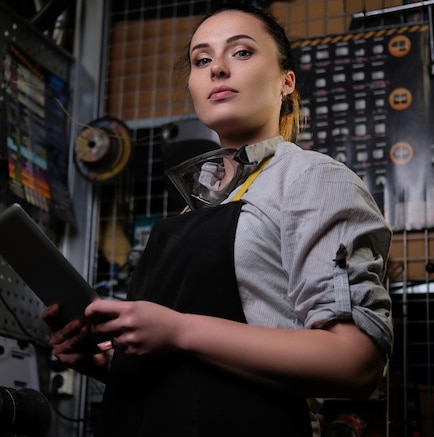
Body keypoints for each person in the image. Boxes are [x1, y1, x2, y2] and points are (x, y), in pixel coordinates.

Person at [42, 4, 393, 436]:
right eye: (202, 60)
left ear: (286, 82)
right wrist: (110, 364)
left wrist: (179, 330)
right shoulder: (195, 209)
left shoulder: (312, 179)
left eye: (242, 53)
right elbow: (188, 378)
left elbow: (357, 362)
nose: (218, 69)